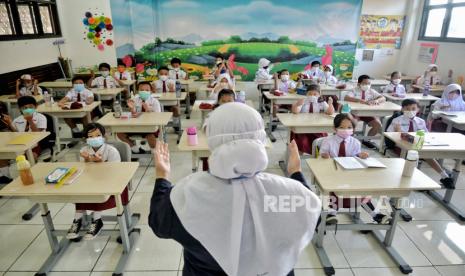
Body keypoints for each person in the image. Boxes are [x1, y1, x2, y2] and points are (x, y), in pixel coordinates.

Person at [149, 103, 321, 276]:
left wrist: (162, 176)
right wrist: (296, 174)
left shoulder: (186, 194)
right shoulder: (288, 191)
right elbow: (314, 215)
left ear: (212, 139)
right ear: (260, 139)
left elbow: (159, 223)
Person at [320, 114, 391, 225]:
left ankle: (376, 215)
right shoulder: (328, 141)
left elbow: (356, 158)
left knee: (361, 192)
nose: (346, 130)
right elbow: (322, 157)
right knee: (336, 191)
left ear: (353, 129)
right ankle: (331, 214)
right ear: (334, 128)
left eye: (349, 128)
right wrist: (325, 156)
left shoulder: (355, 142)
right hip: (333, 173)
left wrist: (361, 155)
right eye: (342, 127)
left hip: (351, 174)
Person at [66, 123, 126, 240]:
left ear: (104, 136)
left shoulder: (111, 151)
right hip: (90, 182)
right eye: (91, 136)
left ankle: (97, 220)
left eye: (98, 135)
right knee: (80, 191)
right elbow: (84, 171)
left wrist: (100, 162)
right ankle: (76, 220)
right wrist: (87, 160)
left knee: (98, 191)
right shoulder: (84, 150)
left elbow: (116, 173)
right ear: (86, 139)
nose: (94, 138)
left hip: (111, 184)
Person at [387, 99, 454, 188]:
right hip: (401, 147)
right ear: (402, 109)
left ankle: (444, 176)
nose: (410, 111)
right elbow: (389, 135)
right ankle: (415, 181)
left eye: (413, 108)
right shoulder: (397, 120)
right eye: (407, 109)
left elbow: (425, 135)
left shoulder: (421, 121)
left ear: (418, 109)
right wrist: (398, 132)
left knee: (426, 154)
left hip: (417, 145)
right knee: (416, 154)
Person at [117, 82, 162, 154]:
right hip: (136, 126)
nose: (144, 92)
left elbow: (158, 117)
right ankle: (135, 149)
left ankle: (154, 152)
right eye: (142, 90)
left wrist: (148, 110)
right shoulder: (135, 99)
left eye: (147, 90)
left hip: (149, 127)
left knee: (150, 136)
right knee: (120, 134)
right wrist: (132, 108)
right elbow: (134, 113)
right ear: (138, 91)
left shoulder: (154, 101)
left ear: (151, 91)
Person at [344, 74, 386, 149]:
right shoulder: (354, 90)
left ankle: (366, 140)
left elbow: (383, 98)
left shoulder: (371, 91)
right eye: (364, 83)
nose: (367, 85)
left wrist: (377, 100)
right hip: (355, 113)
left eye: (368, 83)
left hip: (368, 113)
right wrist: (360, 100)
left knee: (378, 124)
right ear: (359, 84)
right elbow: (346, 98)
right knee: (353, 124)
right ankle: (349, 141)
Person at [291, 84, 334, 154]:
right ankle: (299, 155)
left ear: (319, 95)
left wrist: (330, 104)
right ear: (306, 94)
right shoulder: (303, 101)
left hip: (317, 127)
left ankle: (318, 153)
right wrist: (297, 105)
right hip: (303, 127)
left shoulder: (321, 102)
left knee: (321, 140)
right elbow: (295, 111)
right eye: (309, 94)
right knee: (301, 141)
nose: (312, 96)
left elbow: (330, 112)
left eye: (315, 94)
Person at [152, 66, 181, 130]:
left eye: (165, 74)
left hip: (170, 103)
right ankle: (158, 126)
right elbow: (151, 95)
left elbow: (179, 94)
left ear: (168, 74)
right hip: (158, 104)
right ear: (158, 74)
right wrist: (153, 91)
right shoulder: (154, 83)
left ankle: (176, 125)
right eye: (161, 74)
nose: (163, 75)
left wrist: (172, 90)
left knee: (176, 109)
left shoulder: (173, 82)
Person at [0, 102, 14, 183]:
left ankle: (5, 178)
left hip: (5, 141)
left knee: (2, 156)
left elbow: (14, 133)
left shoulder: (5, 118)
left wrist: (9, 123)